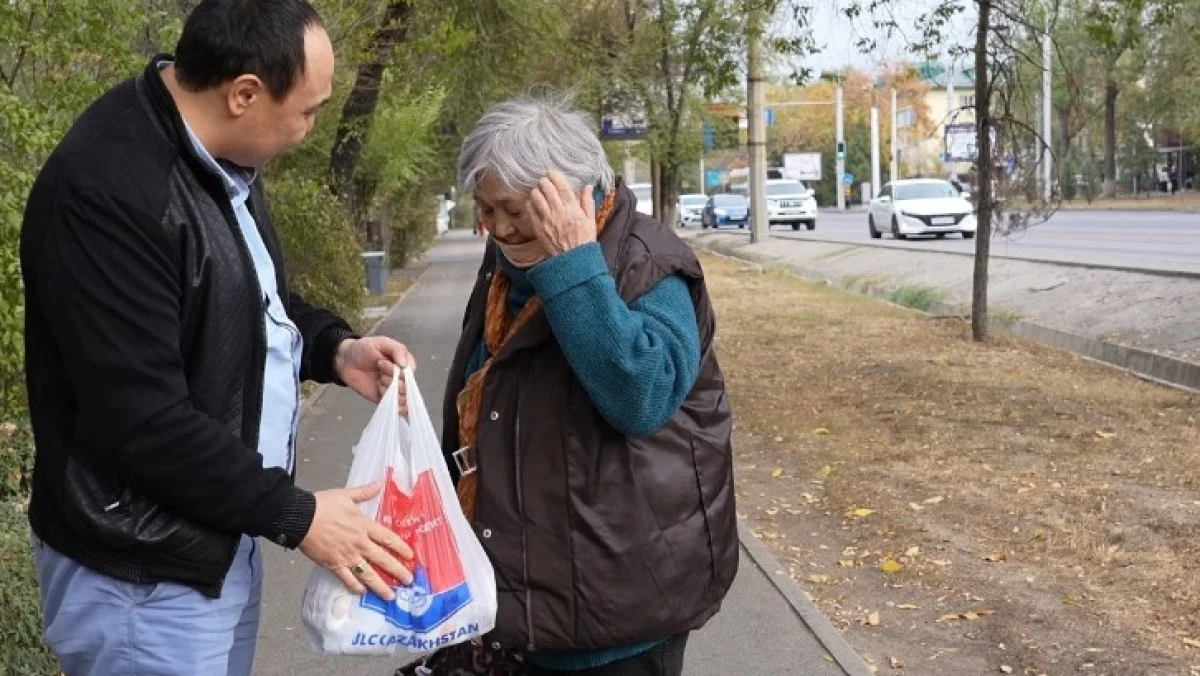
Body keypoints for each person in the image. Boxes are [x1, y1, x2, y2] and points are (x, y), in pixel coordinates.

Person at [20, 1, 416, 674]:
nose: (308, 129)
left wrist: (331, 347)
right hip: (142, 578)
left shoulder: (217, 160)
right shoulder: (112, 192)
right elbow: (142, 420)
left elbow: (243, 298)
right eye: (308, 110)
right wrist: (297, 514)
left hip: (213, 540)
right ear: (244, 94)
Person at [429, 95, 739, 675]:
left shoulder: (648, 264)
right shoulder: (508, 261)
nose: (496, 227)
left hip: (621, 610)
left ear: (570, 196)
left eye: (514, 209)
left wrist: (573, 262)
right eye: (485, 209)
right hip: (525, 600)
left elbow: (640, 396)